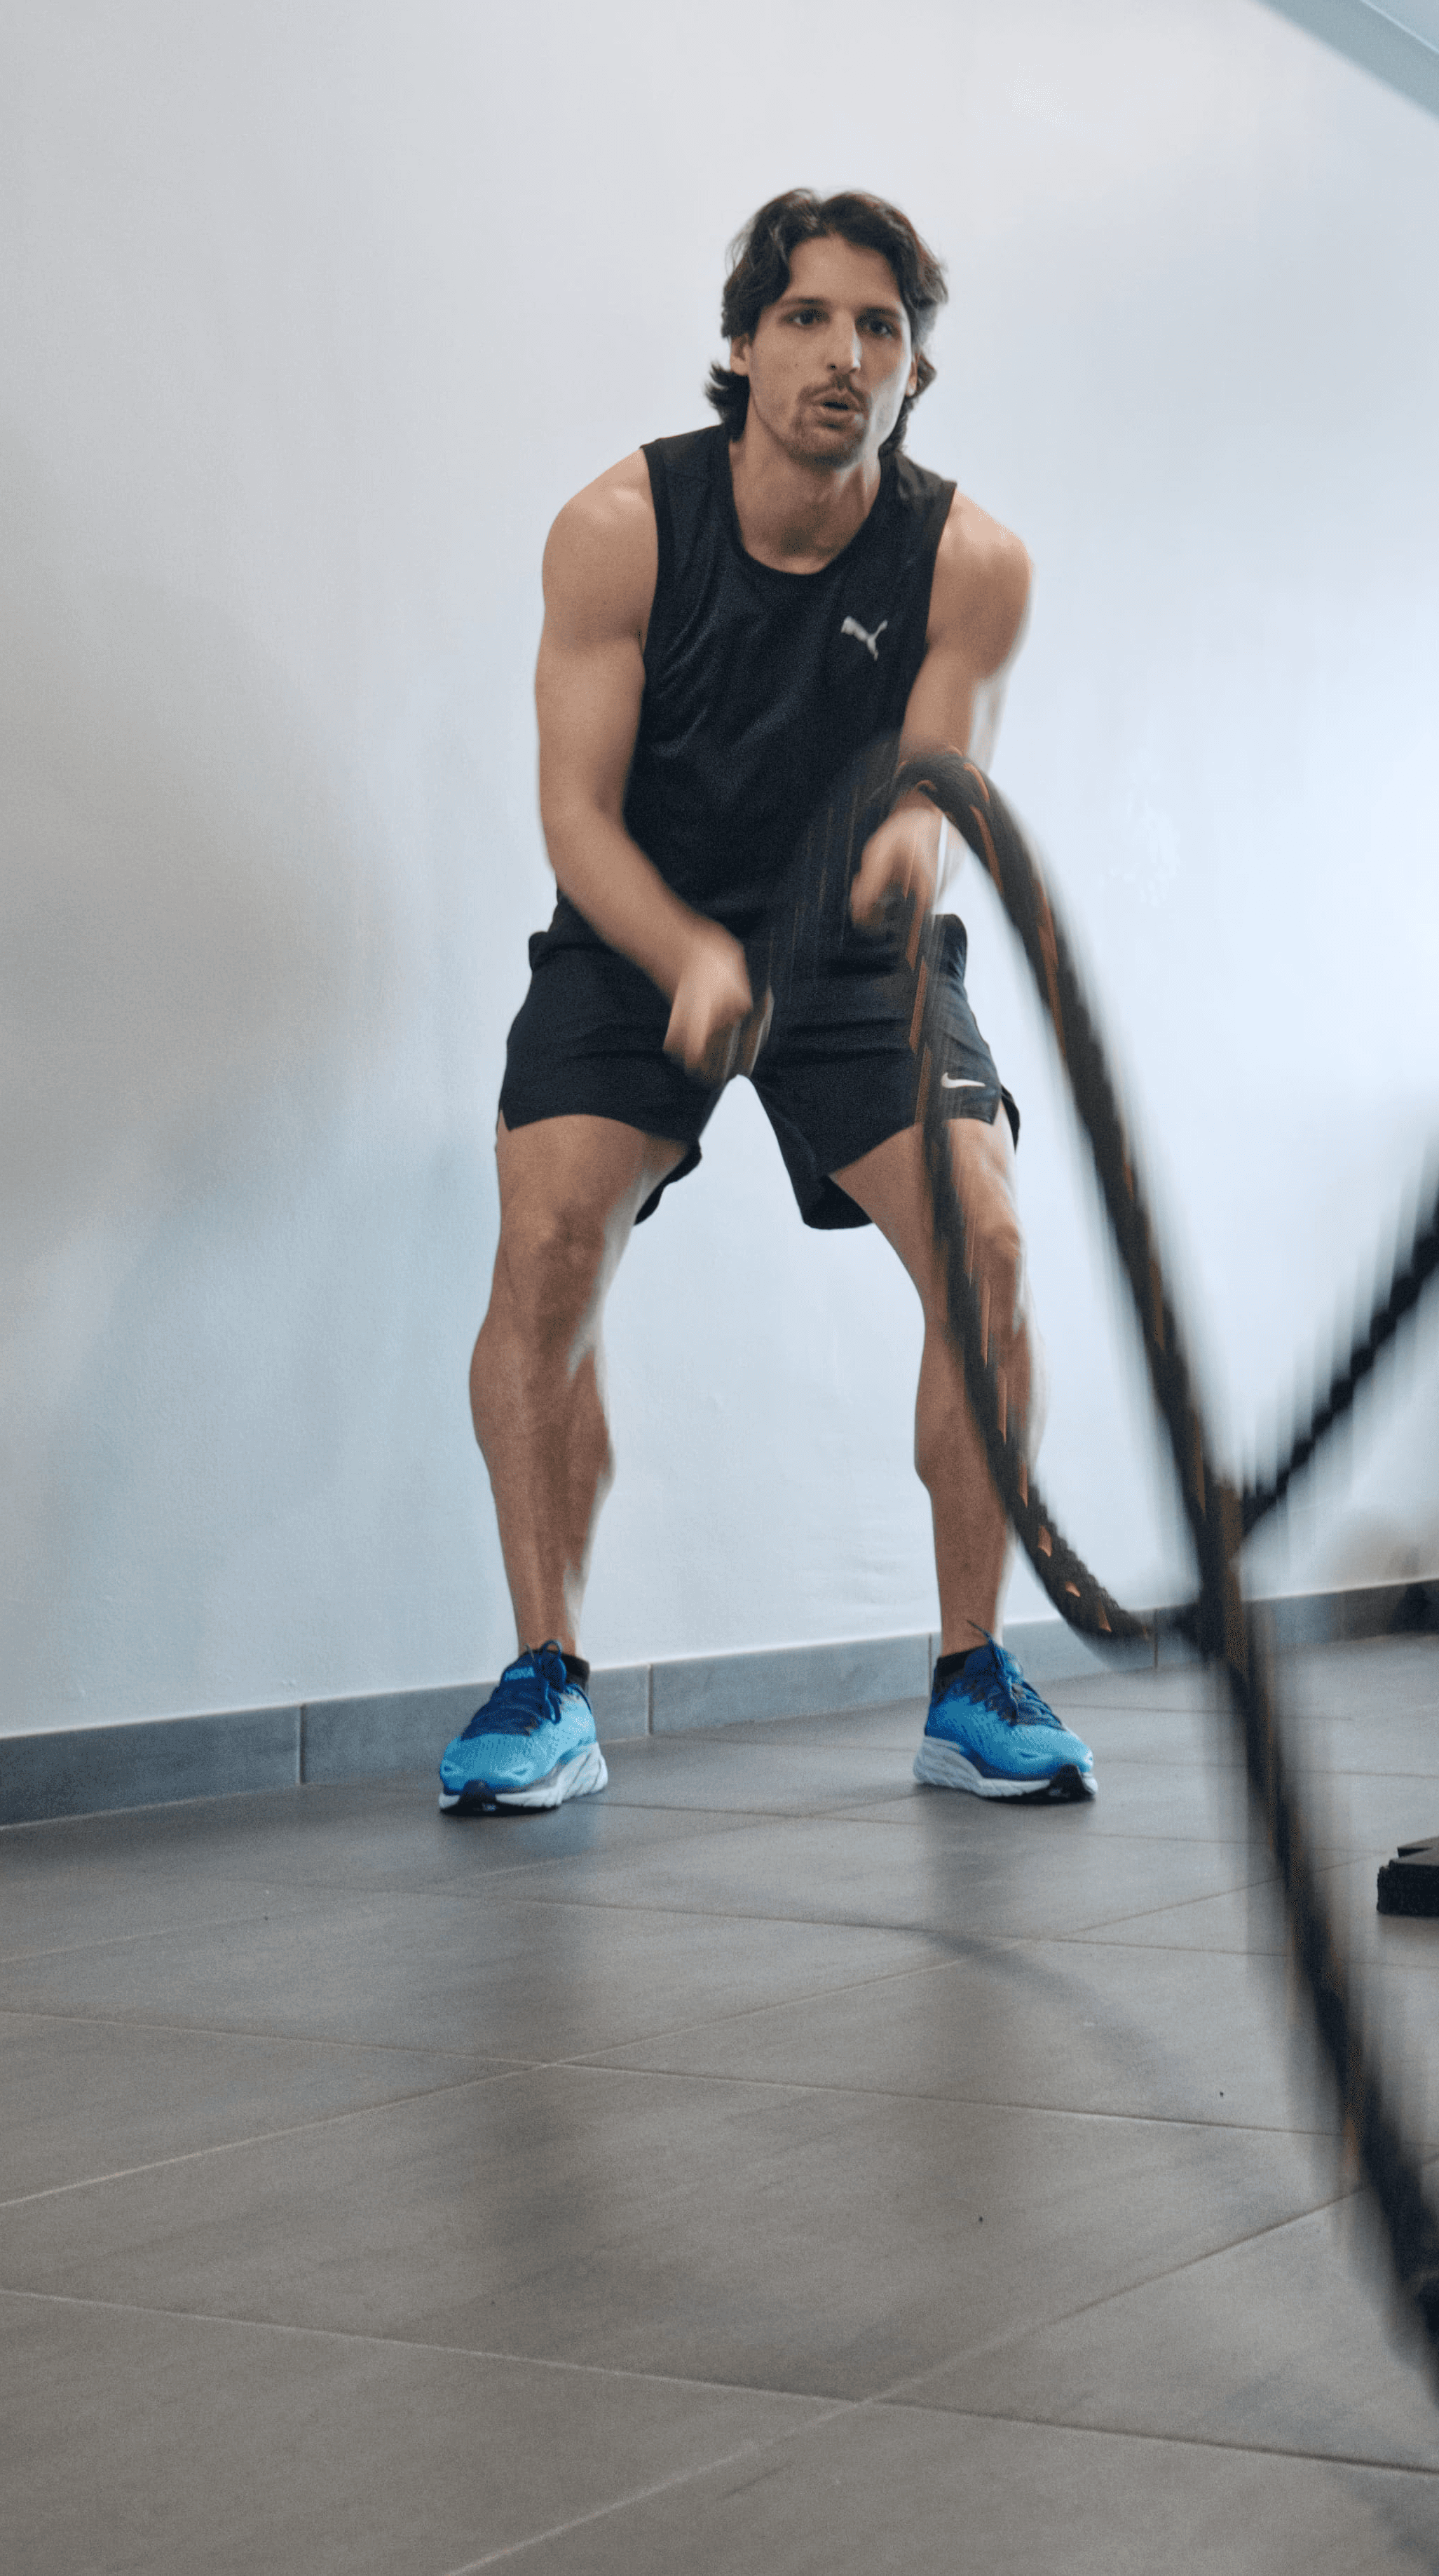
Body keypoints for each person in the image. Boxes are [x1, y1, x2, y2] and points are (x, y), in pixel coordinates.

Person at [439, 187, 1096, 1816]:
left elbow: (935, 799)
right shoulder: (621, 529)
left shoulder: (972, 562)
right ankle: (547, 1679)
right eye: (806, 316)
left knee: (989, 1244)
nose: (844, 354)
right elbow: (576, 817)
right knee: (549, 1241)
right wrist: (690, 957)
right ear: (741, 346)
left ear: (914, 374)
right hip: (636, 931)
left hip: (854, 953)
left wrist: (892, 871)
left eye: (882, 328)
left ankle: (969, 1677)